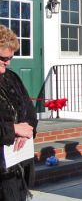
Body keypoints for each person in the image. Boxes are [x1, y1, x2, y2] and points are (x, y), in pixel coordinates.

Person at [0, 25, 37, 200]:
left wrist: (27, 131)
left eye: (11, 57)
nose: (8, 62)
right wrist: (12, 129)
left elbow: (29, 110)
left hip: (16, 169)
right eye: (3, 58)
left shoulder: (11, 77)